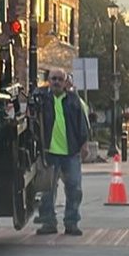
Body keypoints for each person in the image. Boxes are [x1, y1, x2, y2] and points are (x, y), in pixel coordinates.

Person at [36, 66, 91, 236]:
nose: (57, 82)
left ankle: (71, 223)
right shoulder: (40, 98)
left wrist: (84, 144)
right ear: (48, 80)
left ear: (66, 81)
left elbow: (83, 124)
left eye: (60, 79)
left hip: (71, 153)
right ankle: (48, 223)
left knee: (74, 189)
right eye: (53, 79)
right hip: (48, 153)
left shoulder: (74, 100)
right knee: (47, 191)